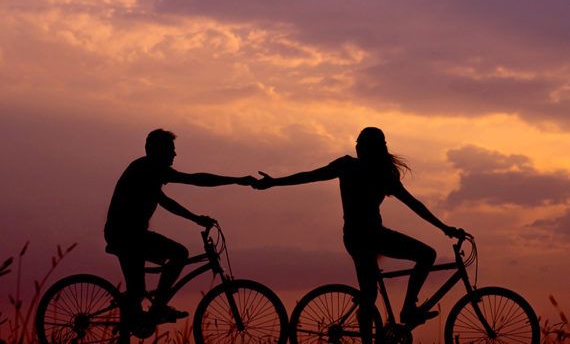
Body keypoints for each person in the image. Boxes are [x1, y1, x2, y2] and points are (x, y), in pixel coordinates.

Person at [253, 126, 465, 343]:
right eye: (357, 142)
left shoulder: (366, 170)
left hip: (361, 236)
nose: (356, 146)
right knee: (421, 259)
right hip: (367, 236)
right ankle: (408, 309)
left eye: (360, 143)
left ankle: (396, 318)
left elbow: (414, 204)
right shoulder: (364, 170)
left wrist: (444, 227)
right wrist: (445, 228)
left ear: (370, 148)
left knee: (372, 293)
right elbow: (310, 176)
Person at [104, 129, 256, 324]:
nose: (174, 154)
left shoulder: (151, 170)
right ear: (157, 150)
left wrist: (198, 216)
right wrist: (236, 181)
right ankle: (158, 306)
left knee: (137, 293)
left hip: (132, 235)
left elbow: (183, 188)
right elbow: (181, 190)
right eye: (170, 150)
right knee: (178, 255)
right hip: (125, 236)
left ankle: (140, 313)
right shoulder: (145, 169)